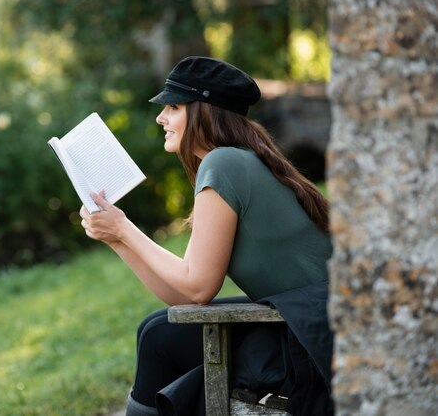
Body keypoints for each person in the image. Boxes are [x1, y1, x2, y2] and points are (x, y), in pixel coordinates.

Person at [79, 56, 334, 416]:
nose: (160, 118)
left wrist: (123, 228)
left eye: (173, 107)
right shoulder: (240, 159)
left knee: (159, 337)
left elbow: (197, 287)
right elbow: (184, 296)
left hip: (314, 343)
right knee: (156, 326)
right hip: (308, 325)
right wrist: (116, 237)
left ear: (203, 111)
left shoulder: (224, 164)